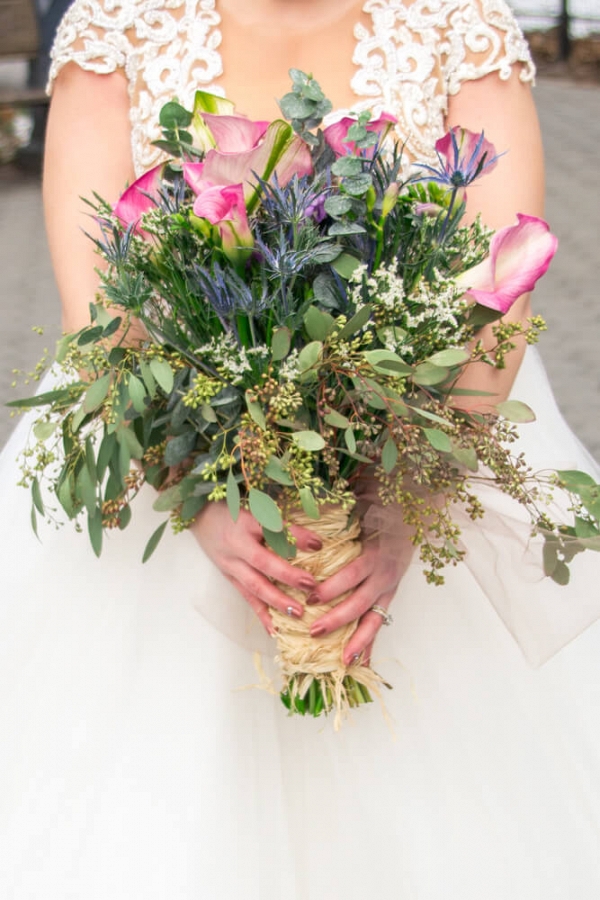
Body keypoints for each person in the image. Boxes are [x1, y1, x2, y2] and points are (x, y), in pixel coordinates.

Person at [1, 0, 599, 897]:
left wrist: (409, 503)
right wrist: (189, 493)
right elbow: (102, 313)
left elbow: (501, 293)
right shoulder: (113, 24)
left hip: (431, 435)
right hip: (161, 462)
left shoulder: (461, 21)